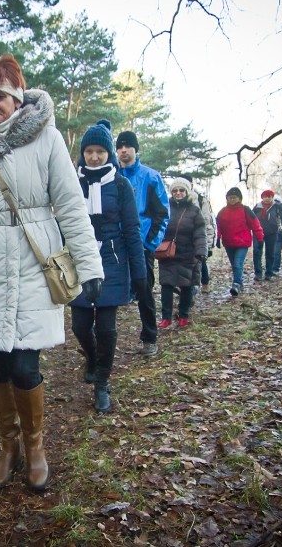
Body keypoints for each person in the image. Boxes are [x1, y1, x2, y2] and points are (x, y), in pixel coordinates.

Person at [0, 54, 104, 492]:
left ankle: (35, 447)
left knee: (25, 365)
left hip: (36, 259)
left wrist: (88, 265)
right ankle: (7, 446)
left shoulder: (46, 140)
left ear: (16, 98)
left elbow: (70, 204)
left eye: (0, 96)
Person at [69, 120, 145, 413]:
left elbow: (131, 230)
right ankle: (91, 358)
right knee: (80, 326)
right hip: (79, 263)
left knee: (107, 328)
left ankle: (102, 383)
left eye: (101, 151)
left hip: (113, 264)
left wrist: (139, 274)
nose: (95, 156)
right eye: (89, 151)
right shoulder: (73, 184)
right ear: (83, 153)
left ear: (108, 153)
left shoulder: (121, 185)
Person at [115, 130, 170, 356]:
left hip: (141, 244)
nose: (124, 150)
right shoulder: (112, 175)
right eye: (120, 146)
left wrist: (150, 243)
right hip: (115, 244)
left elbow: (162, 213)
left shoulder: (150, 177)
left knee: (144, 291)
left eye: (128, 146)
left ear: (136, 150)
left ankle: (150, 337)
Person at [157, 178, 207, 327]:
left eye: (181, 190)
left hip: (188, 253)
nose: (178, 193)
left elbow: (200, 233)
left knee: (187, 286)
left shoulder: (194, 210)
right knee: (166, 285)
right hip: (168, 254)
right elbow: (158, 227)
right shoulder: (165, 208)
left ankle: (183, 316)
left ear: (187, 191)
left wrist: (201, 251)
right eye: (175, 190)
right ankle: (166, 317)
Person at [215, 187, 263, 296]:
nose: (232, 200)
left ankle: (236, 284)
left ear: (239, 198)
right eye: (230, 198)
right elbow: (218, 226)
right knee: (234, 265)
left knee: (237, 263)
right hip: (228, 243)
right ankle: (239, 283)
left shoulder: (246, 210)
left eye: (234, 197)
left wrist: (260, 238)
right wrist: (217, 238)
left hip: (242, 242)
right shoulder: (222, 212)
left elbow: (255, 224)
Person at [179, 174, 216, 294]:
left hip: (198, 237)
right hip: (182, 239)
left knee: (200, 261)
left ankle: (204, 283)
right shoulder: (175, 200)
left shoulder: (201, 200)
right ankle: (187, 288)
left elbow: (207, 221)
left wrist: (208, 243)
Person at [252, 189, 282, 280]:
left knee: (270, 253)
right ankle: (258, 273)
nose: (267, 198)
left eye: (269, 196)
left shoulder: (277, 206)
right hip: (258, 232)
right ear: (262, 197)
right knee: (257, 252)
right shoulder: (257, 207)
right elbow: (251, 217)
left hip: (272, 232)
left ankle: (268, 273)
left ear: (272, 198)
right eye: (265, 196)